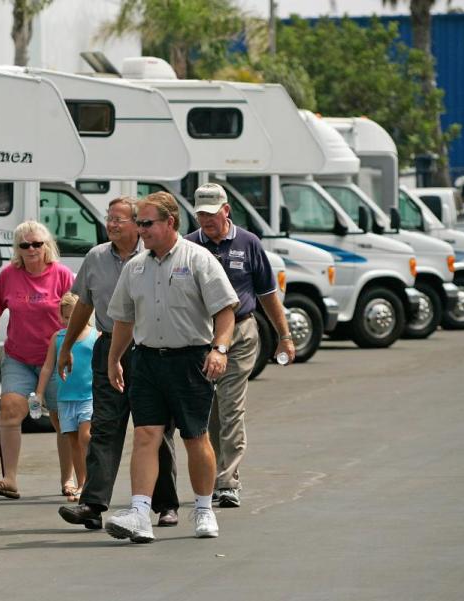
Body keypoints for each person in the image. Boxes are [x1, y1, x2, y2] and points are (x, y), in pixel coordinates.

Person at [104, 191, 239, 543]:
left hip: (191, 359)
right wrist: (114, 358)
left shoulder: (199, 260)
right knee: (146, 434)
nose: (141, 230)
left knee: (195, 436)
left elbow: (225, 311)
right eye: (139, 223)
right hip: (147, 360)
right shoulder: (135, 266)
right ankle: (139, 513)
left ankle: (205, 509)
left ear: (170, 223)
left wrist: (219, 349)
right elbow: (123, 319)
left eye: (147, 223)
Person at [56, 196, 180, 530]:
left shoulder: (152, 256)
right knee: (105, 426)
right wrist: (66, 347)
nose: (111, 224)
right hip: (108, 346)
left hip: (148, 349)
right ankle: (92, 505)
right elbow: (83, 304)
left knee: (153, 428)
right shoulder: (96, 257)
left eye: (119, 219)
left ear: (138, 224)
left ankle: (166, 504)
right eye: (109, 218)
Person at [184, 183, 295, 508]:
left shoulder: (249, 243)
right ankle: (212, 475)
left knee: (231, 407)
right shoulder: (190, 246)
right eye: (201, 213)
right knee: (208, 410)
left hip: (242, 333)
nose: (206, 219)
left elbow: (267, 293)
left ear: (226, 210)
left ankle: (228, 482)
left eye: (212, 213)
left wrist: (284, 336)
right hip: (202, 337)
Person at [0, 220, 74, 499]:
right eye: (25, 245)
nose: (32, 249)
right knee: (10, 408)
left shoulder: (62, 275)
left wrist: (74, 346)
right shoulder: (8, 275)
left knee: (63, 420)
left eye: (37, 244)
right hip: (19, 356)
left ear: (47, 246)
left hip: (56, 357)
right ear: (17, 249)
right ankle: (9, 478)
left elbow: (78, 310)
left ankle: (68, 479)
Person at [34, 292, 97, 502]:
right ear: (61, 317)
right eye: (67, 317)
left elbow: (102, 367)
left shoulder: (94, 336)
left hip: (88, 397)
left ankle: (91, 483)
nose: (71, 322)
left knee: (85, 437)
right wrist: (40, 393)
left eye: (75, 317)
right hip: (65, 399)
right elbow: (47, 367)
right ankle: (81, 484)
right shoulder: (58, 338)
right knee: (72, 442)